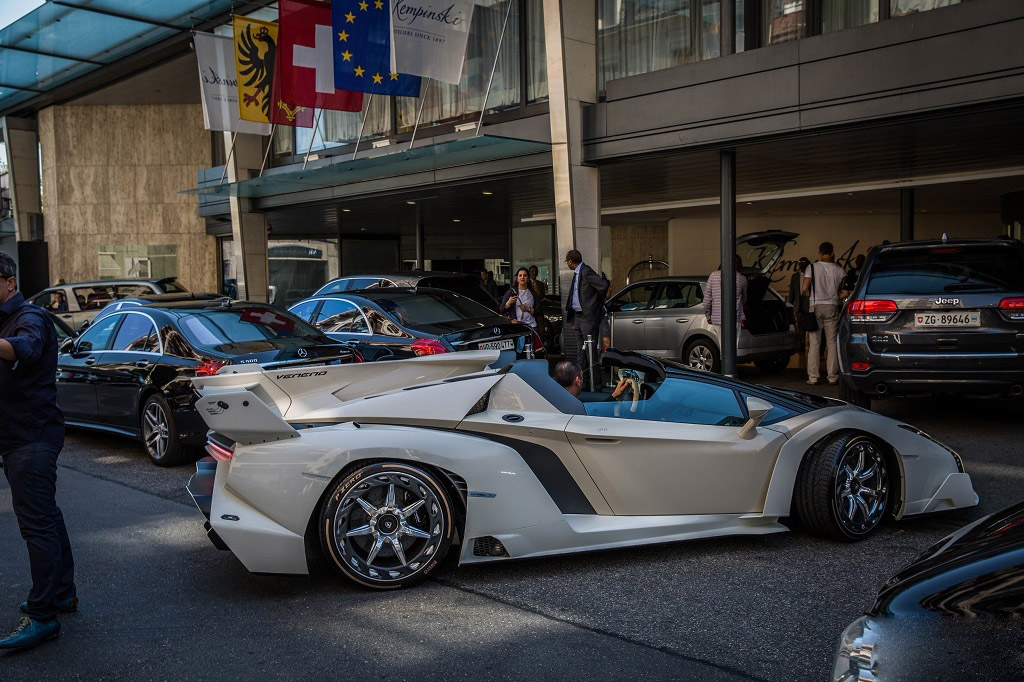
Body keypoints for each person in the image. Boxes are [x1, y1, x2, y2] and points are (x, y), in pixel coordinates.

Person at [0, 252, 76, 651]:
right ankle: (62, 593)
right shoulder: (5, 319)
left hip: (32, 438)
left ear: (9, 282)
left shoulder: (31, 318)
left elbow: (23, 349)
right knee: (47, 516)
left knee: (37, 526)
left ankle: (44, 616)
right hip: (19, 435)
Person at [802, 241, 850, 386]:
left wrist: (810, 296)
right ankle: (832, 377)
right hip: (832, 307)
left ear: (819, 252)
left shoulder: (812, 267)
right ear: (832, 252)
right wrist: (835, 297)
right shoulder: (839, 270)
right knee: (832, 343)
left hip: (815, 306)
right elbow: (846, 292)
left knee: (815, 343)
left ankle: (813, 377)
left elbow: (804, 288)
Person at [563, 249, 609, 369]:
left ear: (570, 261)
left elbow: (603, 285)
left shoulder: (586, 271)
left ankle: (595, 382)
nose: (567, 264)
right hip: (578, 316)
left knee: (590, 351)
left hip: (587, 317)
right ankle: (584, 380)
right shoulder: (578, 272)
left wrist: (595, 302)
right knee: (581, 351)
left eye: (566, 261)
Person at [704, 254, 748, 342]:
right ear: (739, 265)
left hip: (717, 318)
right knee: (733, 348)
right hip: (735, 318)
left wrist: (708, 316)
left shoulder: (713, 276)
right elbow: (744, 299)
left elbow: (707, 300)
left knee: (722, 348)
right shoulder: (742, 279)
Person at [554, 360, 629, 400]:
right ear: (578, 381)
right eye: (582, 376)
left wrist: (614, 395)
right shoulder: (575, 407)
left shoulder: (554, 399)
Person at [788, 257, 810, 329]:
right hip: (798, 302)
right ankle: (801, 339)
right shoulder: (795, 276)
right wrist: (790, 304)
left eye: (803, 261)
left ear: (807, 263)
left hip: (808, 302)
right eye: (799, 261)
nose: (800, 263)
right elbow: (792, 291)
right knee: (800, 324)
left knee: (809, 323)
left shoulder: (810, 275)